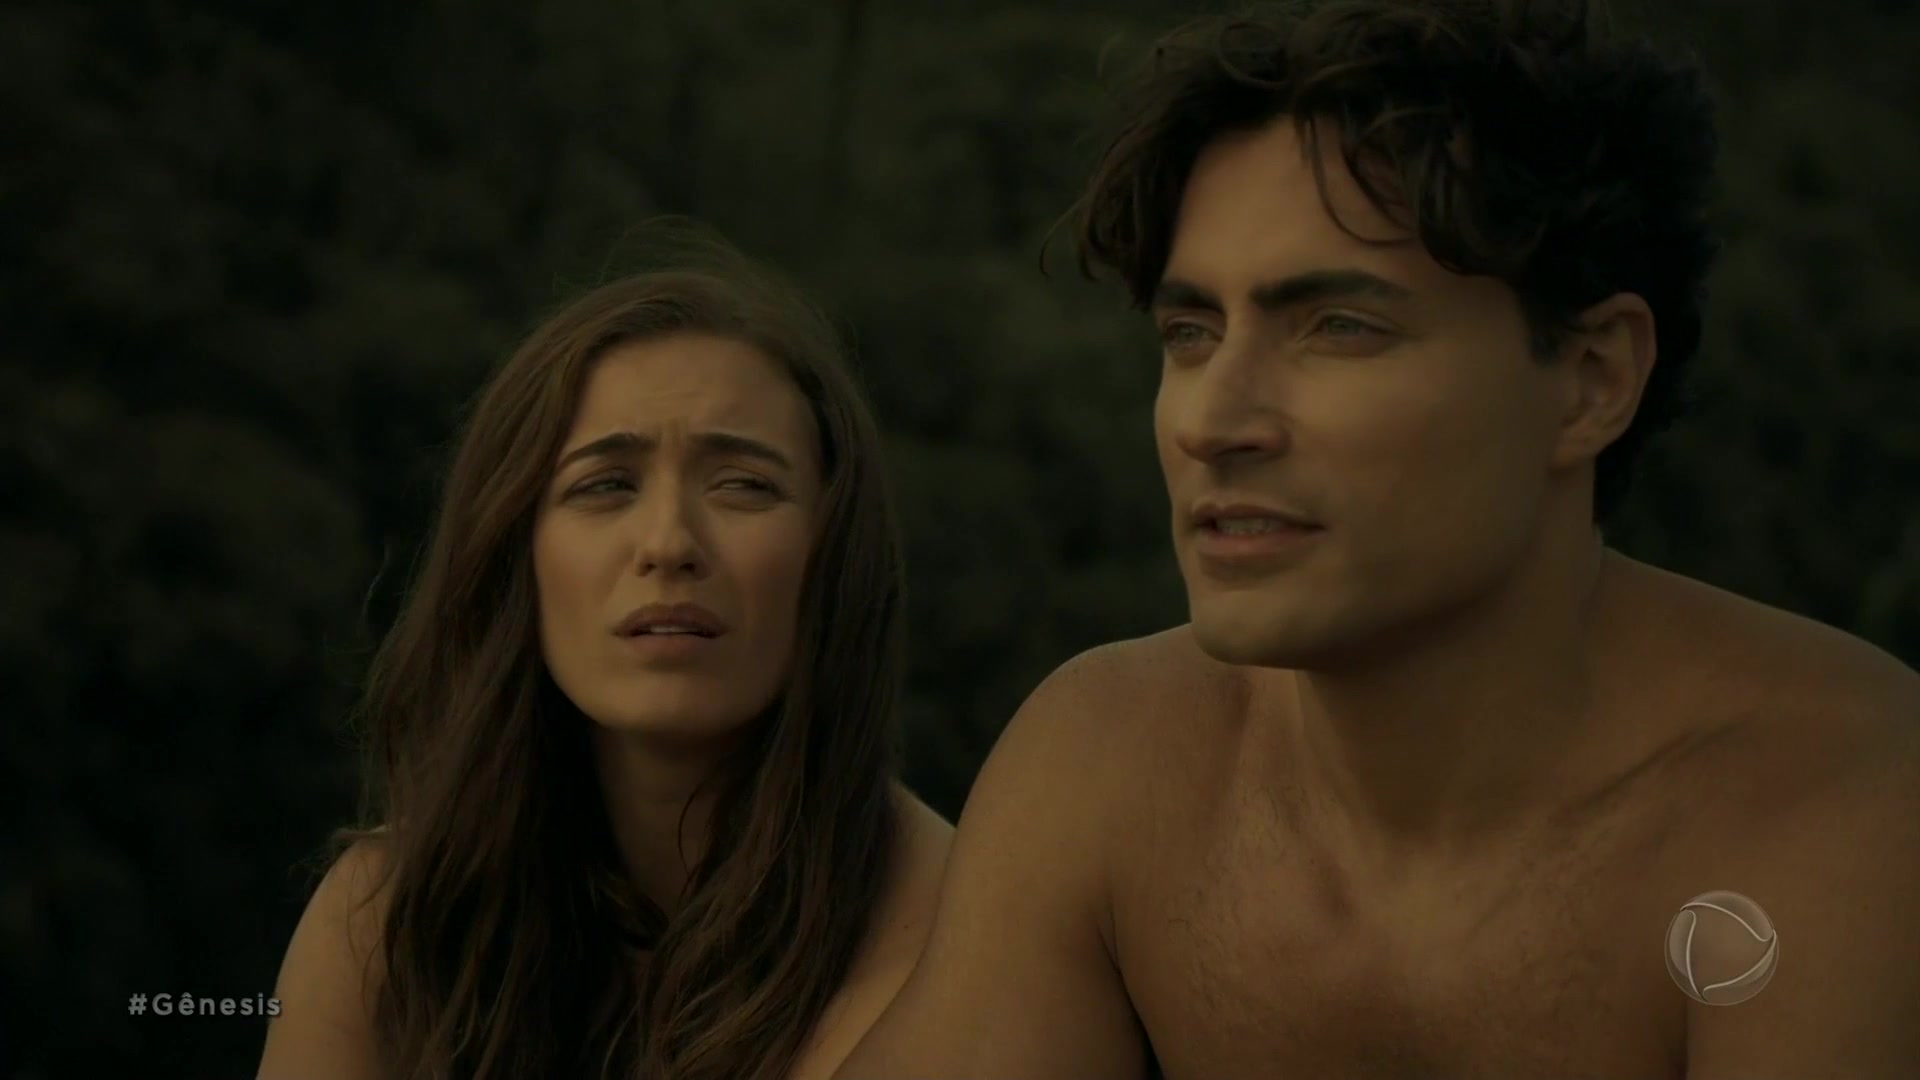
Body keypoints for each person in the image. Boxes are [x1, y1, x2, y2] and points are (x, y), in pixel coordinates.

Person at [838, 2, 1920, 1078]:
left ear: (1592, 380)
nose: (1213, 420)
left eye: (1340, 328)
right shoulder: (1111, 763)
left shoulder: (1832, 800)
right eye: (1191, 332)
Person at [258, 228, 952, 1080]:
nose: (668, 543)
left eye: (743, 485)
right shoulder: (387, 921)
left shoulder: (958, 932)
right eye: (605, 485)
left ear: (837, 554)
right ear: (516, 551)